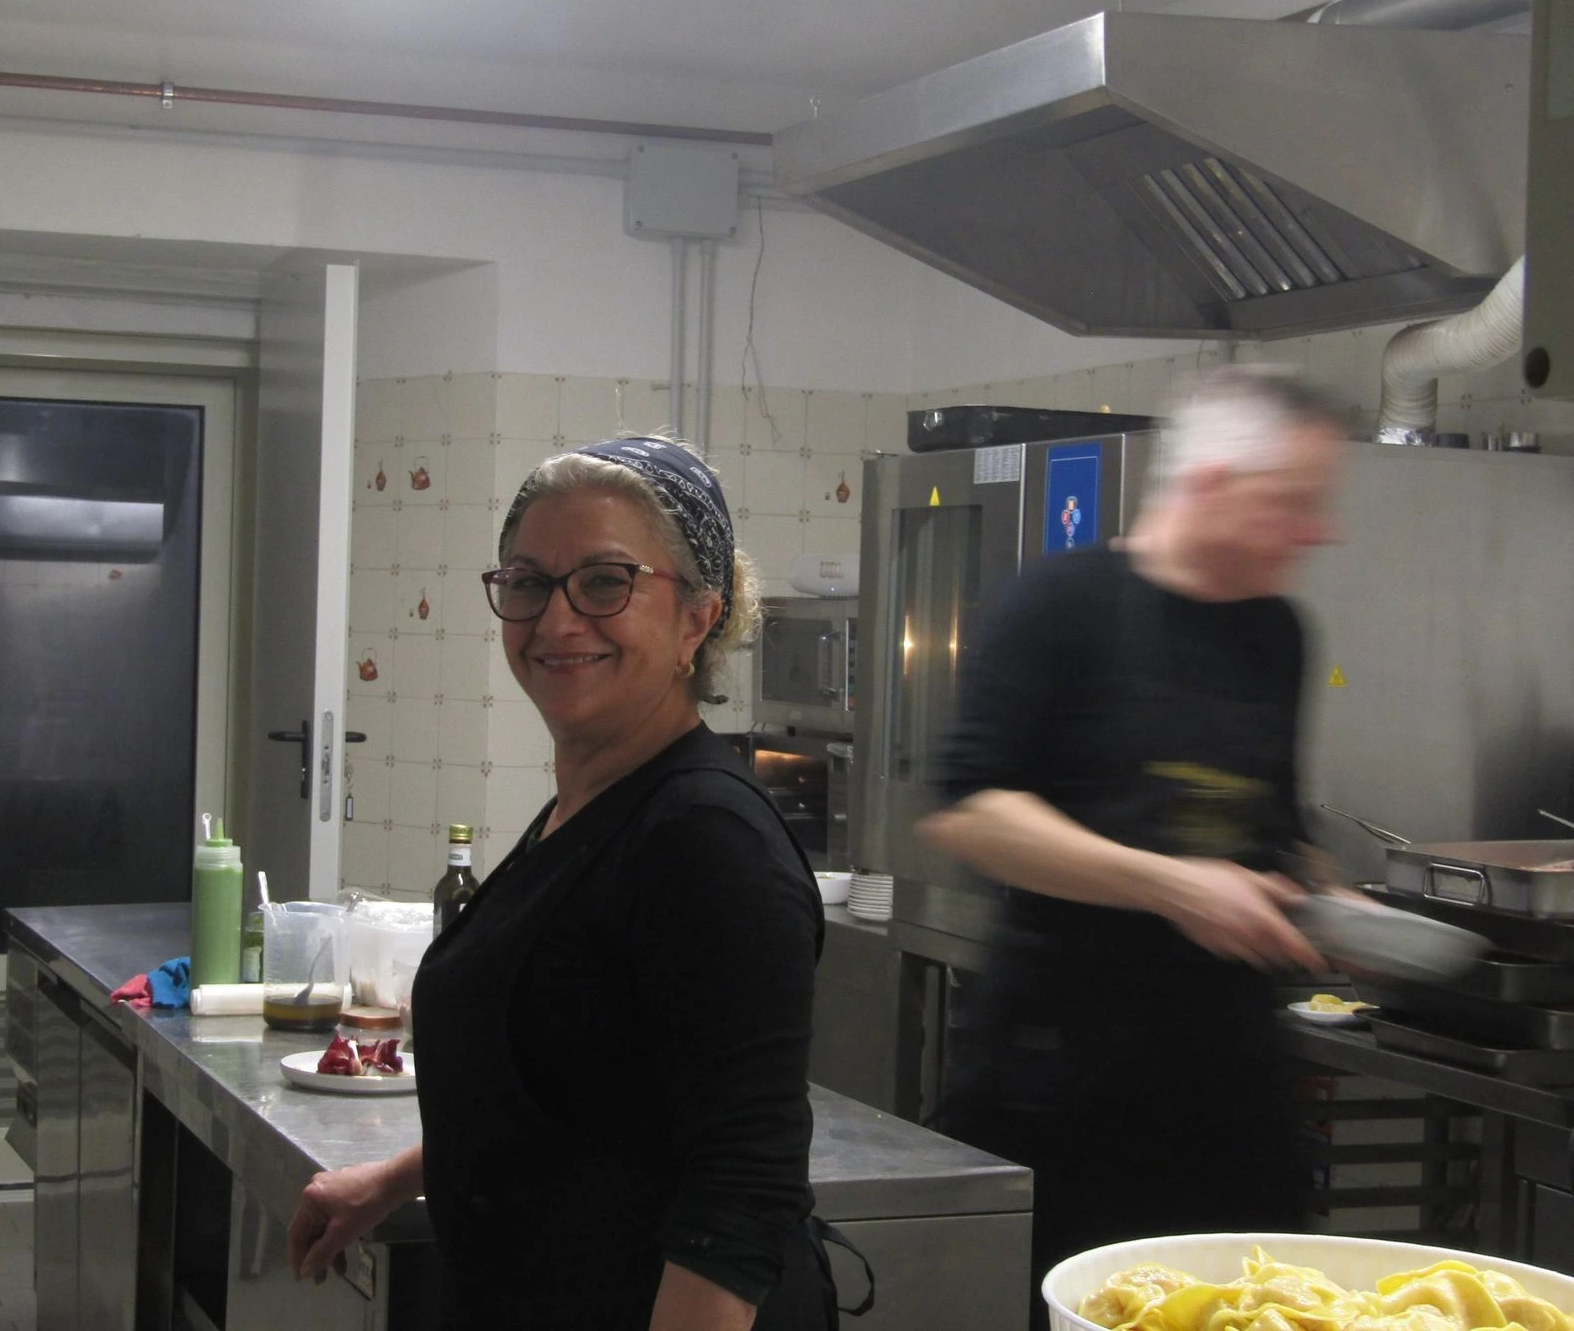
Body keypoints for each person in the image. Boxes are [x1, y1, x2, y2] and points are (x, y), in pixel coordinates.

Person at [288, 435, 834, 1330]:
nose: (557, 620)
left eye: (606, 582)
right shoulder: (591, 809)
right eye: (528, 583)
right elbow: (572, 1089)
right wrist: (394, 1178)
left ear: (698, 619)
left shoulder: (706, 839)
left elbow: (741, 1188)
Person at [918, 368, 1347, 1330]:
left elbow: (1275, 829)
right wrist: (1172, 887)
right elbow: (968, 809)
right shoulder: (1060, 605)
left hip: (1228, 1090)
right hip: (1063, 1087)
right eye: (1296, 503)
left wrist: (1336, 906)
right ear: (1212, 483)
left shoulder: (1277, 633)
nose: (1319, 532)